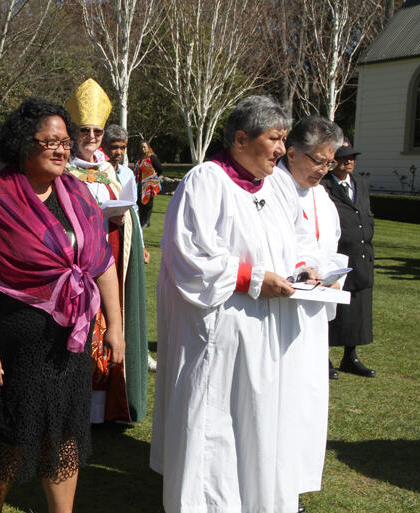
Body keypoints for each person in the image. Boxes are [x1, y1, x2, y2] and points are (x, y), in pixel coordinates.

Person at [0, 97, 124, 513]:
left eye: (66, 141)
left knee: (66, 435)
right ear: (24, 144)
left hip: (71, 343)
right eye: (52, 142)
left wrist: (115, 325)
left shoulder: (78, 195)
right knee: (15, 434)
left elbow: (102, 263)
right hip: (16, 346)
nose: (63, 149)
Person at [150, 95, 323, 513]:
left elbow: (297, 239)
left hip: (270, 330)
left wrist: (305, 268)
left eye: (284, 139)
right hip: (222, 329)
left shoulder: (278, 185)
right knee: (219, 423)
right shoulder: (207, 181)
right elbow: (190, 256)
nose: (283, 149)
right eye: (275, 139)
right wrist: (252, 278)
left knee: (260, 419)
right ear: (242, 139)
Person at [269, 116, 346, 512]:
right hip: (279, 313)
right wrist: (304, 268)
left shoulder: (321, 196)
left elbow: (329, 241)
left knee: (307, 403)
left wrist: (332, 272)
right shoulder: (272, 187)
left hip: (313, 314)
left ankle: (294, 487)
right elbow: (276, 245)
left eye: (330, 163)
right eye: (319, 160)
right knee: (280, 400)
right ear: (293, 152)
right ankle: (273, 485)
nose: (323, 170)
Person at [65, 80, 148, 424]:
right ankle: (75, 403)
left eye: (97, 131)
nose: (91, 137)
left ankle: (107, 406)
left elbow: (126, 208)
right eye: (84, 130)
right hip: (75, 260)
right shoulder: (64, 168)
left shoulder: (110, 169)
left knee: (110, 324)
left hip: (110, 251)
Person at [322, 138, 376, 378]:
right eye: (344, 157)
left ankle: (350, 356)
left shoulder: (361, 184)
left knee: (358, 310)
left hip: (361, 254)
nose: (349, 162)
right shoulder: (324, 186)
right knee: (333, 310)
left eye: (352, 157)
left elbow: (365, 212)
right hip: (339, 255)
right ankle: (324, 357)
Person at [133, 140, 162, 229]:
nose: (143, 149)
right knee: (139, 203)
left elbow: (159, 168)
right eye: (141, 147)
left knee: (148, 203)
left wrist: (154, 176)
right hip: (139, 183)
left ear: (148, 148)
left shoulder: (152, 158)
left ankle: (146, 221)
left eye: (144, 147)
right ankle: (142, 221)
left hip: (149, 184)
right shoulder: (138, 159)